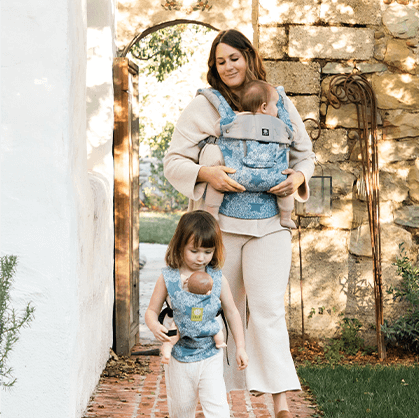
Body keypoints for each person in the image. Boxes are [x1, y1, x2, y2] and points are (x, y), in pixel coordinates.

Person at [163, 29, 315, 418]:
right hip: (221, 231)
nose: (229, 66)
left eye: (234, 57)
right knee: (218, 311)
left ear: (249, 56)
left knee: (266, 310)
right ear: (214, 68)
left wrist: (298, 179)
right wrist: (207, 174)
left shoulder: (277, 100)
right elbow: (173, 161)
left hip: (270, 226)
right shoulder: (205, 106)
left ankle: (280, 402)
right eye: (220, 61)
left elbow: (304, 155)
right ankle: (220, 402)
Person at [145, 210, 248, 418]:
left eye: (208, 252)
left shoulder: (218, 279)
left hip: (211, 354)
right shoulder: (168, 279)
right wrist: (155, 326)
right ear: (180, 245)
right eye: (194, 251)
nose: (201, 258)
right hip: (179, 357)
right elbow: (151, 311)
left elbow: (232, 312)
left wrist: (241, 347)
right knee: (181, 411)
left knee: (218, 409)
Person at [200, 79, 296, 229]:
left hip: (236, 174)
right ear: (264, 107)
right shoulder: (279, 125)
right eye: (275, 105)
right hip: (273, 177)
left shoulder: (236, 118)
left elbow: (218, 129)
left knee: (217, 184)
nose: (277, 109)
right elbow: (291, 135)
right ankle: (286, 217)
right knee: (285, 191)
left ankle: (212, 213)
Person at [160, 270, 227, 364]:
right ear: (209, 292)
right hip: (204, 329)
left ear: (187, 287)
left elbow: (173, 297)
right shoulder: (213, 301)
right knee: (217, 329)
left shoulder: (180, 298)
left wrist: (182, 281)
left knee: (171, 338)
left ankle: (167, 350)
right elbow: (218, 306)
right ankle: (220, 342)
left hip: (182, 327)